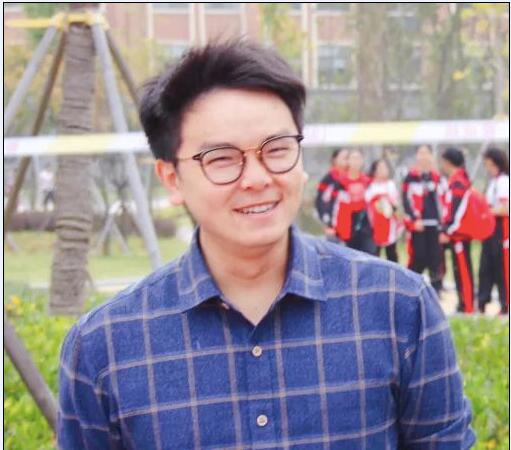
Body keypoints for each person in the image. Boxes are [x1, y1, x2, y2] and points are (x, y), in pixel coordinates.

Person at [58, 40, 474, 449]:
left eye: (276, 149)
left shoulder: (399, 307)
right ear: (171, 179)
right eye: (222, 158)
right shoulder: (104, 347)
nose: (257, 179)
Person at [402, 145, 444, 293]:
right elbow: (406, 200)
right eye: (421, 153)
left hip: (435, 224)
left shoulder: (437, 177)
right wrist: (414, 220)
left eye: (426, 153)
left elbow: (442, 200)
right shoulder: (410, 177)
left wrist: (443, 224)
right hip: (418, 224)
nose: (423, 156)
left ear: (431, 156)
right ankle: (411, 287)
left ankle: (436, 289)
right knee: (418, 256)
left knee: (436, 257)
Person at [439, 148, 474, 313]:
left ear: (448, 162)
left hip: (459, 235)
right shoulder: (454, 180)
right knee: (458, 270)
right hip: (454, 234)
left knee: (463, 271)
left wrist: (448, 231)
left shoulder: (459, 181)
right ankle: (462, 304)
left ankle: (468, 307)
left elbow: (457, 210)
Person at [478, 148, 509, 315]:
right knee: (486, 266)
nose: (487, 167)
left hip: (501, 229)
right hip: (489, 230)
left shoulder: (504, 181)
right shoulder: (493, 181)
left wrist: (486, 213)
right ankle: (483, 301)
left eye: (489, 164)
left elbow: (505, 208)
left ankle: (506, 303)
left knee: (502, 267)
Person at [335, 149, 376, 254]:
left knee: (369, 253)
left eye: (358, 158)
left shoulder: (368, 181)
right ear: (348, 161)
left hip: (365, 223)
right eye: (353, 158)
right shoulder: (341, 182)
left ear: (362, 161)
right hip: (348, 226)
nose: (356, 162)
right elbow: (335, 205)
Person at [365, 158, 403, 262]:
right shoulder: (369, 186)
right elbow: (367, 205)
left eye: (385, 167)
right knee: (374, 256)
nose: (383, 170)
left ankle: (394, 272)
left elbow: (395, 204)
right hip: (375, 227)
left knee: (392, 255)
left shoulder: (390, 185)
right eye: (380, 167)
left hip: (389, 225)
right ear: (374, 170)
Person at [314, 148, 349, 242]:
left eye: (348, 158)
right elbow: (319, 201)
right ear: (335, 160)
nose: (347, 161)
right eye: (344, 158)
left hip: (350, 226)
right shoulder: (328, 179)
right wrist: (326, 220)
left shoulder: (351, 177)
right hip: (333, 226)